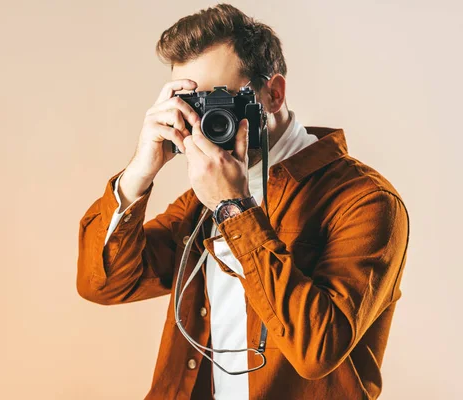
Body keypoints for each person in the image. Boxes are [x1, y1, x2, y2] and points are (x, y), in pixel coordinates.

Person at [77, 4, 409, 399]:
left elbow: (318, 351)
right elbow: (106, 284)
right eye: (192, 102)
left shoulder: (365, 200)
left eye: (222, 99)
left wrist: (234, 207)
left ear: (273, 93)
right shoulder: (202, 203)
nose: (207, 120)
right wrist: (139, 173)